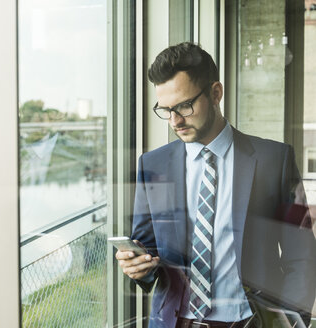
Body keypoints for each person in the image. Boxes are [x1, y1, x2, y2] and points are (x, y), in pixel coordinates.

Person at [115, 42, 316, 328]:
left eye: (184, 105)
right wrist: (138, 268)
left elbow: (302, 256)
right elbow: (147, 250)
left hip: (252, 321)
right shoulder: (153, 165)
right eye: (166, 109)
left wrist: (292, 323)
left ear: (216, 93)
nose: (175, 120)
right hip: (175, 322)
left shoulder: (275, 160)